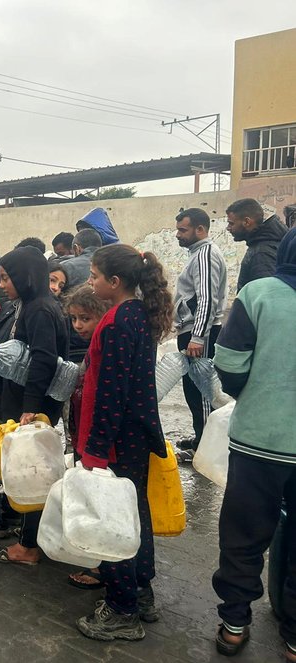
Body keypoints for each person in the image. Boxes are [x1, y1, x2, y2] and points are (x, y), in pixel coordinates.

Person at [73, 244, 172, 642]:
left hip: (114, 440)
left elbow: (111, 393)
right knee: (135, 515)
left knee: (111, 521)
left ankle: (121, 609)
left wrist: (96, 450)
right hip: (134, 435)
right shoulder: (137, 314)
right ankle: (141, 591)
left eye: (95, 275)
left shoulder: (115, 322)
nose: (90, 281)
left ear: (114, 283)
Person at [210, 227, 296, 659]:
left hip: (259, 444)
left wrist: (251, 392)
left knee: (243, 534)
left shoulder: (259, 293)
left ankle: (235, 622)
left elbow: (228, 359)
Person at [0, 247, 69, 559]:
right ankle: (31, 536)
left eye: (6, 278)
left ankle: (27, 547)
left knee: (32, 469)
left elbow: (43, 360)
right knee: (32, 466)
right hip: (30, 401)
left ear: (25, 277)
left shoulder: (40, 309)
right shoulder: (32, 304)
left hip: (34, 405)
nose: (2, 285)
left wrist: (29, 407)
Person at [61, 284, 111, 591]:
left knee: (98, 502)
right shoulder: (91, 349)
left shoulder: (104, 348)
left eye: (85, 318)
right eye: (74, 319)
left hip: (95, 441)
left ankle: (99, 566)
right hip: (82, 435)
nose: (78, 325)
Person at [172, 208, 228, 461]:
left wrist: (197, 336)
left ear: (200, 230)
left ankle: (204, 450)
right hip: (193, 330)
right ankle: (200, 438)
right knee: (193, 390)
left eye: (183, 230)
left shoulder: (205, 254)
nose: (177, 235)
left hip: (200, 333)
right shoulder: (198, 254)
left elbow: (207, 298)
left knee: (203, 393)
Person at [226, 198, 287, 291]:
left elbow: (266, 296)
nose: (228, 228)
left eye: (231, 223)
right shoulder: (262, 244)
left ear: (247, 222)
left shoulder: (262, 253)